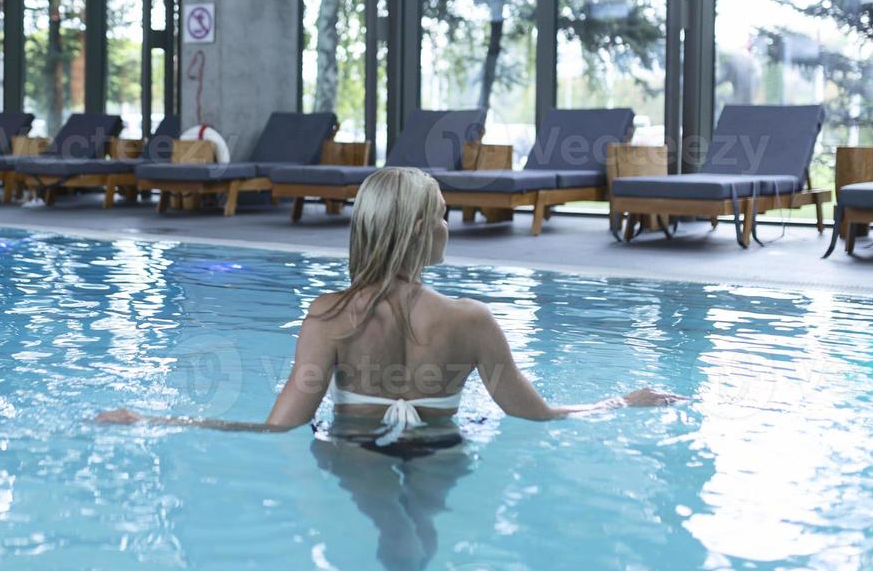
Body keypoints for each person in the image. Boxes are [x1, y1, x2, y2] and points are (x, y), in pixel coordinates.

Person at [97, 167, 681, 445]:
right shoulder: (471, 321)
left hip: (352, 450)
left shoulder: (328, 317)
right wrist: (622, 400)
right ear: (423, 231)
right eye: (444, 214)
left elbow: (277, 428)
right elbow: (538, 416)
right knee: (420, 551)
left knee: (379, 557)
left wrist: (156, 418)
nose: (451, 225)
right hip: (442, 449)